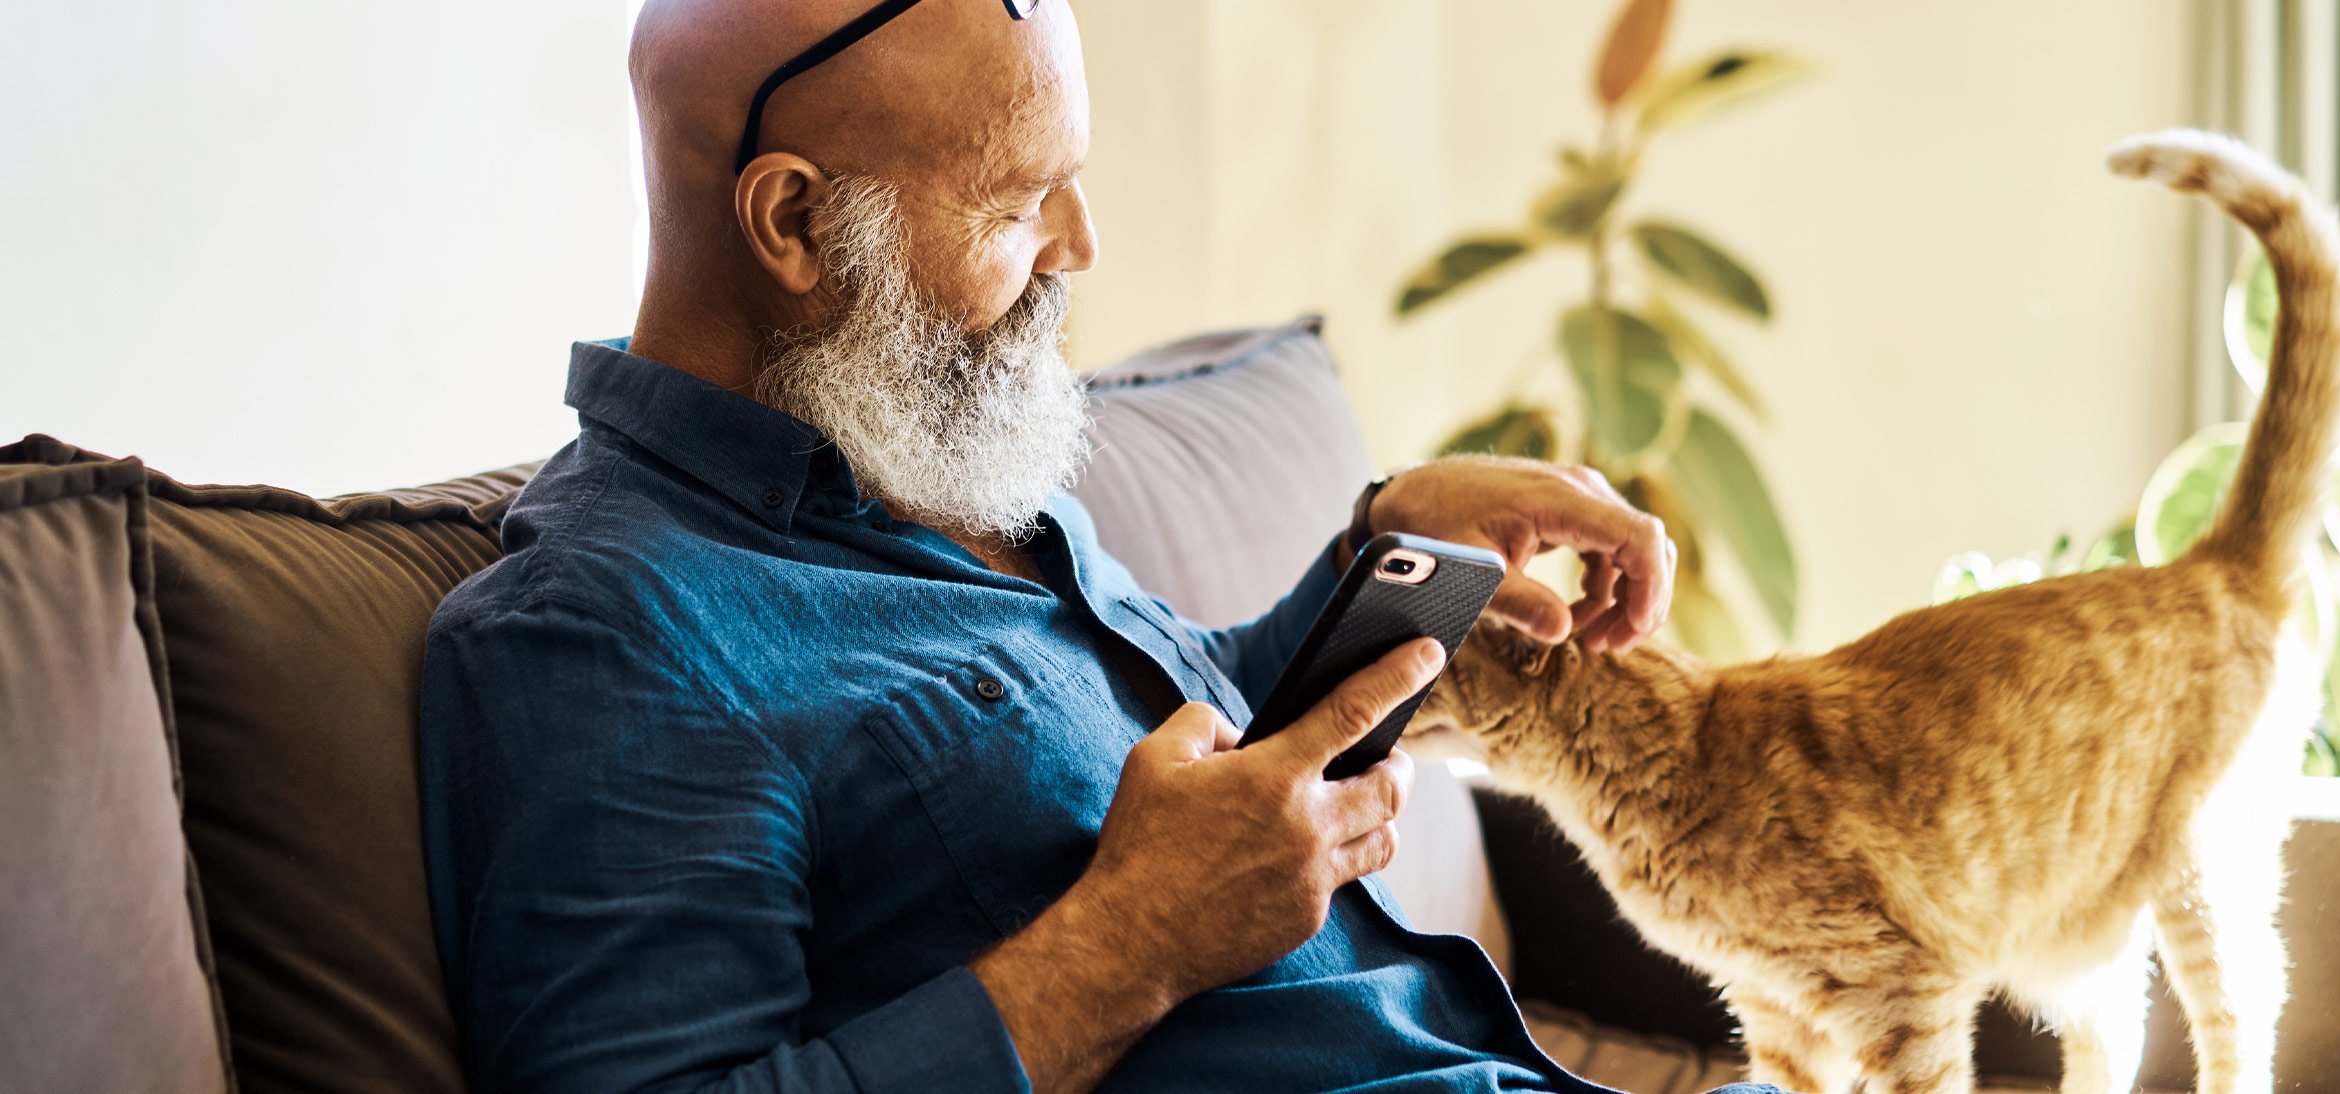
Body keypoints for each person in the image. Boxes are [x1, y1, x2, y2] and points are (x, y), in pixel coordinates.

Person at [421, 1, 1776, 1090]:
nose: (1083, 244)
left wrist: (1379, 551)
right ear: (791, 222)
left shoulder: (927, 443)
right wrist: (1126, 946)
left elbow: (1128, 760)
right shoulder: (600, 629)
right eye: (1019, 203)